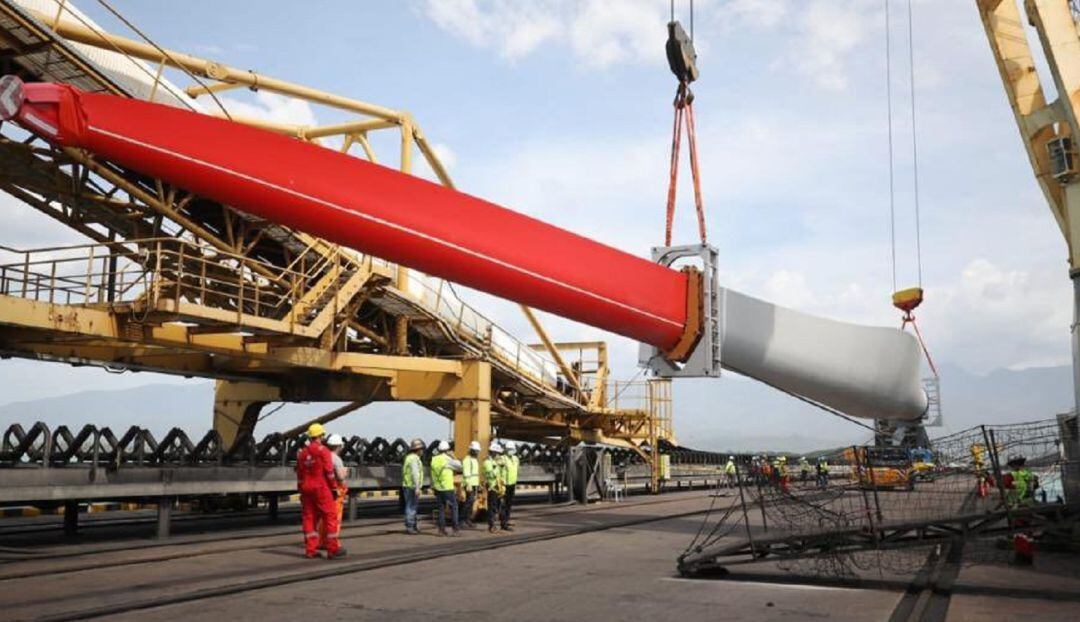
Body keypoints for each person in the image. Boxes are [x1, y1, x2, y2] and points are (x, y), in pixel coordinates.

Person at [296, 423, 345, 559]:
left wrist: (301, 490)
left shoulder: (302, 453)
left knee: (309, 518)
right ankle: (332, 549)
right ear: (321, 436)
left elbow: (299, 474)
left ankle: (310, 550)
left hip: (306, 489)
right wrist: (334, 487)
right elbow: (329, 472)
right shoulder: (323, 451)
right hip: (321, 488)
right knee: (330, 517)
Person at [317, 434, 349, 550]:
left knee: (323, 518)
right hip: (336, 492)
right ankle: (333, 543)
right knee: (334, 519)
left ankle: (321, 541)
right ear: (339, 446)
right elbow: (340, 477)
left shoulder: (323, 456)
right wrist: (345, 472)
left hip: (324, 490)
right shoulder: (336, 459)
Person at [430, 440, 462, 536]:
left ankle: (441, 530)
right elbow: (460, 467)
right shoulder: (447, 459)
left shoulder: (434, 459)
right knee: (454, 508)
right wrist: (453, 456)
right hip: (447, 487)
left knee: (441, 509)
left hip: (437, 487)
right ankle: (455, 529)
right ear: (447, 450)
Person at [402, 438, 424, 535]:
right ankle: (410, 526)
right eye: (421, 449)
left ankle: (413, 525)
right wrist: (417, 487)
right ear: (418, 450)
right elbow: (415, 473)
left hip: (408, 485)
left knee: (411, 506)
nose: (422, 451)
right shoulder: (414, 459)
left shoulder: (409, 457)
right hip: (412, 486)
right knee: (411, 507)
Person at [483, 442, 506, 533]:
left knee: (499, 507)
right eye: (496, 453)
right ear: (492, 452)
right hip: (492, 487)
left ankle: (500, 524)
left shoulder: (495, 462)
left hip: (498, 487)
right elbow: (491, 474)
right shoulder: (487, 462)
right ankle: (491, 526)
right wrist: (497, 467)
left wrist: (501, 467)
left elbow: (501, 474)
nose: (497, 455)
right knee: (492, 507)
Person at [460, 440, 481, 528]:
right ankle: (462, 520)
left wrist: (478, 484)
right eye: (476, 450)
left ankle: (467, 519)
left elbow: (475, 473)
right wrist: (468, 484)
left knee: (471, 502)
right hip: (469, 484)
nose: (477, 452)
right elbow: (467, 473)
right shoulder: (467, 460)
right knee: (468, 502)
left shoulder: (474, 460)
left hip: (474, 483)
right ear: (472, 450)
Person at [502, 440, 520, 530]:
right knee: (504, 504)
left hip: (512, 484)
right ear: (505, 449)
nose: (510, 450)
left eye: (511, 449)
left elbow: (517, 469)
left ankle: (507, 519)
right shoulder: (503, 458)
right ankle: (503, 523)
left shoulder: (516, 459)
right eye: (509, 449)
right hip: (504, 484)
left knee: (509, 503)